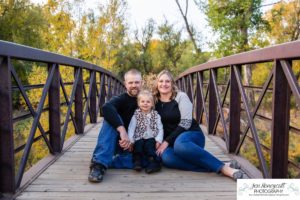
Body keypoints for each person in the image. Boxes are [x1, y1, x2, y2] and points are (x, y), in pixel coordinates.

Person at [154, 70, 244, 180]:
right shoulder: (153, 100)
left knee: (180, 146)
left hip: (190, 135)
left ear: (172, 83)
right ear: (157, 83)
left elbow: (186, 123)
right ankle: (219, 165)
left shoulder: (181, 97)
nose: (164, 84)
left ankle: (225, 169)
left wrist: (166, 142)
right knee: (167, 159)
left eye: (167, 81)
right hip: (170, 141)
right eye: (161, 81)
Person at [88, 69, 142, 183]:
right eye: (130, 83)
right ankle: (99, 165)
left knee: (148, 161)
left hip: (134, 146)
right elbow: (106, 108)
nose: (134, 85)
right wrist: (122, 130)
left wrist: (133, 142)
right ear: (125, 84)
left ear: (141, 83)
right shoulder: (121, 99)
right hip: (118, 141)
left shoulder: (147, 100)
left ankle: (104, 159)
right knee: (111, 117)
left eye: (137, 82)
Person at [128, 90, 164, 173]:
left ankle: (153, 162)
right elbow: (131, 128)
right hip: (139, 137)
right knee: (138, 145)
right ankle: (137, 161)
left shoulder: (156, 115)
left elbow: (160, 128)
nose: (145, 103)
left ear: (152, 104)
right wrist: (131, 141)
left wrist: (159, 140)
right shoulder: (136, 115)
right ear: (138, 103)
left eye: (148, 102)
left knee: (150, 147)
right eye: (142, 101)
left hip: (151, 137)